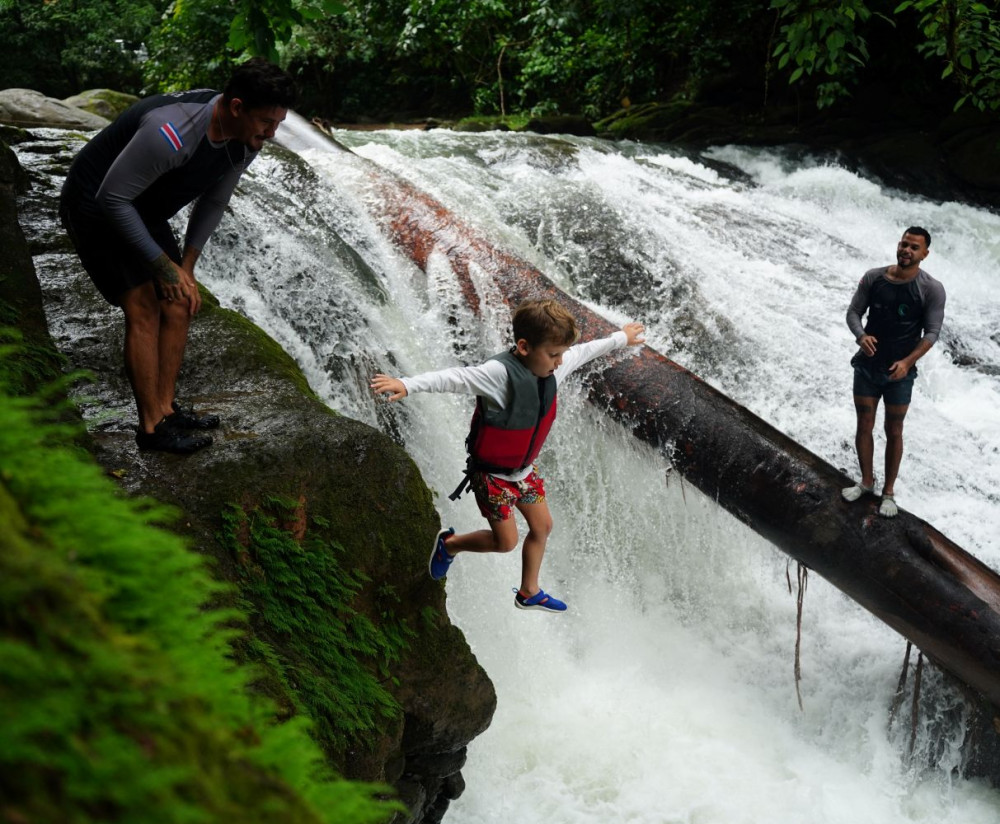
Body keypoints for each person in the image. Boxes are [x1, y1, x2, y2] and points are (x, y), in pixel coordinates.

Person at [59, 58, 297, 453]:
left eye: (278, 124)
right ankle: (151, 428)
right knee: (144, 306)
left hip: (142, 207)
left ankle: (166, 409)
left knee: (180, 302)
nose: (271, 133)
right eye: (265, 123)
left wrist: (185, 267)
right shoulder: (169, 132)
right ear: (236, 107)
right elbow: (112, 199)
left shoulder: (246, 139)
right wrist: (161, 267)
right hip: (96, 204)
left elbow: (215, 201)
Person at [371, 299, 645, 613]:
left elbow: (587, 351)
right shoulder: (498, 374)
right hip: (493, 478)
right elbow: (454, 378)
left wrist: (621, 337)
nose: (559, 362)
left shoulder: (557, 364)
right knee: (506, 543)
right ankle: (449, 545)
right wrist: (406, 384)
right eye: (553, 355)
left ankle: (529, 591)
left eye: (561, 354)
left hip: (524, 472)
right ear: (524, 347)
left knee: (543, 527)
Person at [841, 227, 945, 518]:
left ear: (925, 254)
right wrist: (861, 336)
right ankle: (865, 482)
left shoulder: (931, 289)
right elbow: (853, 312)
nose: (906, 251)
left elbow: (932, 332)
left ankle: (888, 493)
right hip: (867, 366)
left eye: (914, 247)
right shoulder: (874, 277)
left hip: (900, 372)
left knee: (894, 430)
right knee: (864, 423)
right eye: (903, 244)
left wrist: (908, 362)